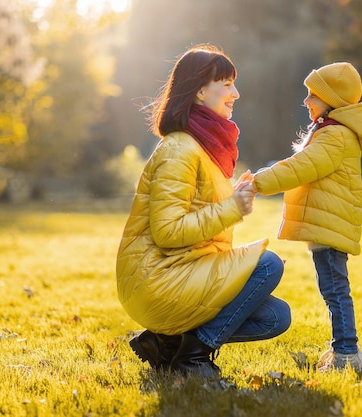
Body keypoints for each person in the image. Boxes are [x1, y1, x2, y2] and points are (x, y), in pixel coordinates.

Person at [116, 44, 291, 378]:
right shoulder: (179, 149)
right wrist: (231, 209)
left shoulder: (203, 149)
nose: (235, 93)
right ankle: (192, 358)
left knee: (275, 317)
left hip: (183, 270)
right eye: (225, 84)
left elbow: (200, 226)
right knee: (267, 265)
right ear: (198, 91)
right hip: (156, 279)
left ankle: (165, 345)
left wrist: (233, 200)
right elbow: (168, 233)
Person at [252, 62, 362, 373]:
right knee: (333, 290)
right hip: (326, 225)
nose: (305, 101)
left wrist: (257, 182)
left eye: (313, 95)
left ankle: (347, 353)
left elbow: (300, 167)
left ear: (331, 99)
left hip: (329, 227)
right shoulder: (331, 132)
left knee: (335, 290)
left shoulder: (334, 137)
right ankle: (345, 350)